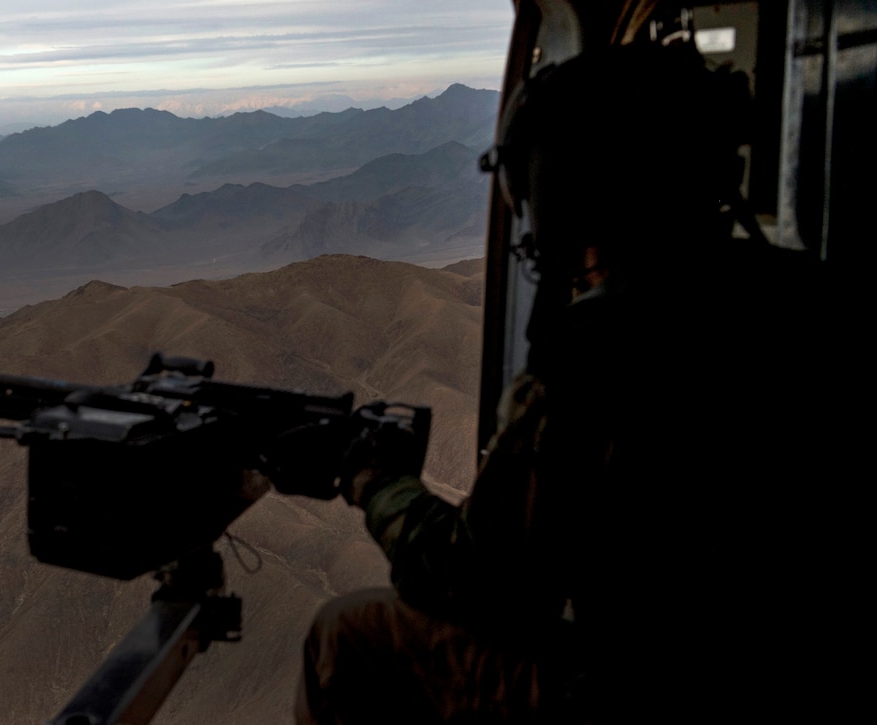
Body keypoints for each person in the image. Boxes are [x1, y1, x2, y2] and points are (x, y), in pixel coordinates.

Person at [293, 40, 838, 723]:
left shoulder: (597, 354)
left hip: (649, 689)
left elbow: (477, 584)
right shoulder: (804, 296)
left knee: (344, 634)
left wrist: (377, 484)